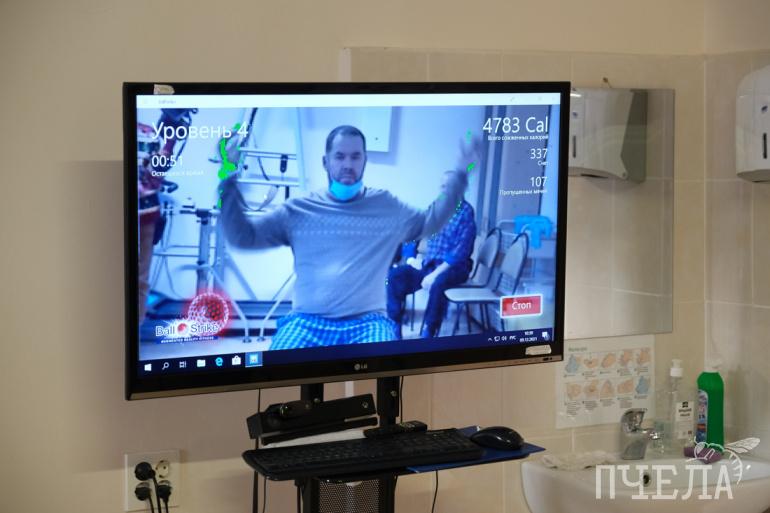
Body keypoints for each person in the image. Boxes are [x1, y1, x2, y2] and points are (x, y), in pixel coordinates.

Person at [219, 125, 477, 350]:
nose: (348, 165)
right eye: (340, 156)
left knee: (386, 369)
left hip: (368, 323)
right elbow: (243, 237)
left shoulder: (385, 206)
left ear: (365, 161)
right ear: (325, 162)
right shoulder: (298, 210)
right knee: (277, 371)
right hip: (306, 321)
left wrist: (460, 174)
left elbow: (430, 221)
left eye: (355, 156)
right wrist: (227, 175)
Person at [386, 185, 476, 339]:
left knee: (438, 282)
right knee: (394, 276)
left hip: (455, 268)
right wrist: (411, 258)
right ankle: (395, 323)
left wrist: (433, 275)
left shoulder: (465, 213)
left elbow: (460, 253)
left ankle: (429, 330)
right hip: (430, 265)